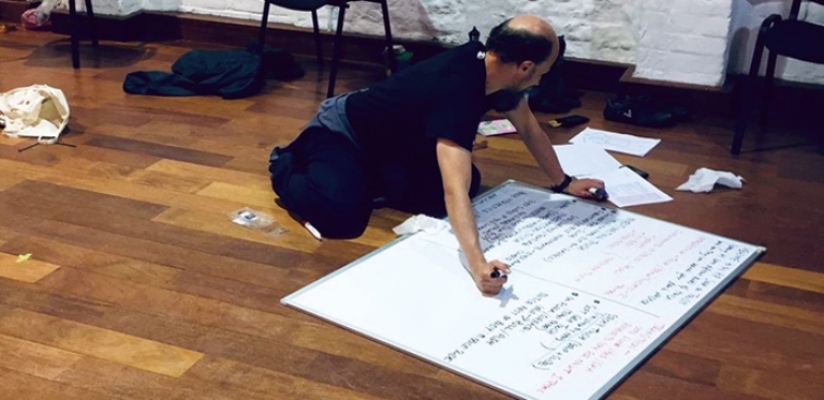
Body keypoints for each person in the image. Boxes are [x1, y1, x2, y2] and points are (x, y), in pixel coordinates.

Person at [268, 15, 605, 296]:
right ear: (525, 67)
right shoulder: (456, 91)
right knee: (340, 219)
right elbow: (452, 189)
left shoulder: (499, 75)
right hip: (343, 134)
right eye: (542, 72)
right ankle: (286, 163)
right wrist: (478, 265)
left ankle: (370, 179)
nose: (540, 81)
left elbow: (530, 129)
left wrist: (563, 183)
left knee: (470, 183)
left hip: (394, 145)